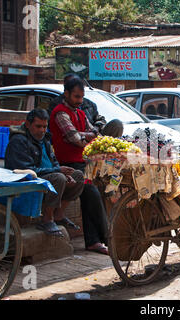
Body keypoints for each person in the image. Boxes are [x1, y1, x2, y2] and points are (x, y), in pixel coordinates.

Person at [49, 77, 110, 255]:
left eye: (81, 97)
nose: (79, 101)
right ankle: (104, 238)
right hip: (67, 163)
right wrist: (88, 136)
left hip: (83, 161)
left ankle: (93, 240)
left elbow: (94, 132)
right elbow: (75, 139)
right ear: (66, 94)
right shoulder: (60, 113)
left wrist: (88, 135)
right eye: (76, 97)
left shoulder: (80, 113)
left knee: (95, 194)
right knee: (91, 193)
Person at [4, 108, 84, 237]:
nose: (42, 130)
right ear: (28, 124)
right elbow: (26, 170)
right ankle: (47, 219)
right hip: (28, 179)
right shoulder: (19, 141)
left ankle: (59, 214)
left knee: (78, 176)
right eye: (38, 126)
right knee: (58, 177)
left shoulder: (44, 139)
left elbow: (53, 161)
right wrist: (58, 171)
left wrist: (64, 172)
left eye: (44, 127)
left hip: (48, 175)